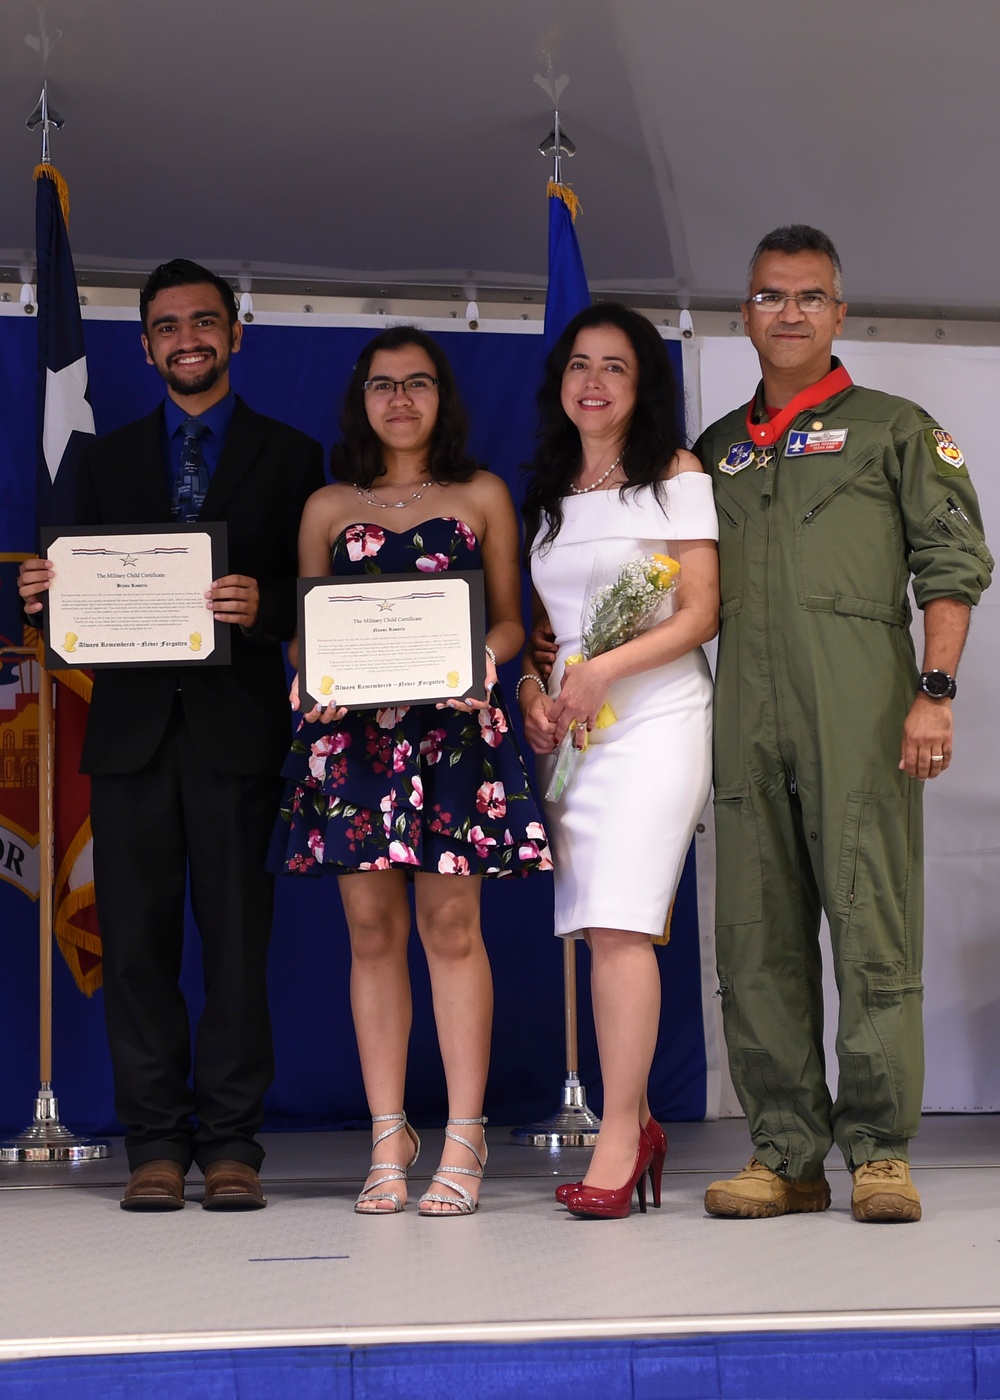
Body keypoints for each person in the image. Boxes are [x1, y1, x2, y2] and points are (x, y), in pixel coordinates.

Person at [695, 225, 993, 1223]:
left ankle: (878, 1152)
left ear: (838, 311)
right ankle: (784, 1153)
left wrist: (934, 690)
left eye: (808, 296)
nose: (789, 313)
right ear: (745, 313)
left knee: (872, 926)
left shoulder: (894, 428)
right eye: (770, 296)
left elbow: (950, 569)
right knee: (754, 939)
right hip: (744, 716)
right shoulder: (713, 453)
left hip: (862, 709)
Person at [19, 259, 324, 1211]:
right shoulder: (101, 462)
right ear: (145, 345)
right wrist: (36, 599)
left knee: (238, 948)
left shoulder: (291, 455)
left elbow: (321, 601)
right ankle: (152, 1142)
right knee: (139, 950)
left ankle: (232, 1143)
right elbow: (62, 606)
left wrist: (266, 603)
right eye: (165, 326)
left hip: (240, 735)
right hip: (131, 739)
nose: (186, 338)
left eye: (204, 322)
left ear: (236, 335)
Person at [271, 326, 550, 1216]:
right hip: (355, 744)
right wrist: (305, 680)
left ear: (442, 398)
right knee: (369, 932)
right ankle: (389, 1135)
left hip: (455, 741)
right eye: (383, 385)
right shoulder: (325, 505)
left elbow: (508, 620)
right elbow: (307, 632)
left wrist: (483, 664)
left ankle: (464, 1137)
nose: (400, 399)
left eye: (418, 383)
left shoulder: (482, 495)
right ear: (361, 399)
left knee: (454, 927)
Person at [519, 303, 719, 1220]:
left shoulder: (676, 473)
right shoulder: (549, 487)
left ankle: (621, 1132)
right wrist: (539, 694)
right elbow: (545, 632)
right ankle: (631, 1127)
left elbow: (698, 615)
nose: (593, 382)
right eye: (579, 365)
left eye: (616, 368)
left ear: (644, 387)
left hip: (658, 711)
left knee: (624, 918)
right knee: (598, 927)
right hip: (580, 730)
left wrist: (600, 669)